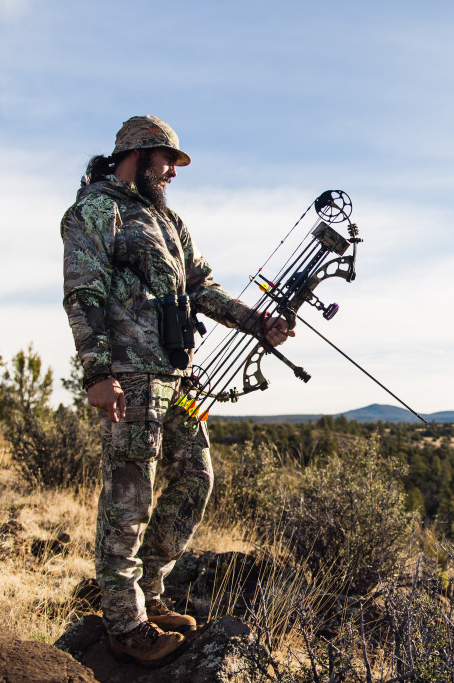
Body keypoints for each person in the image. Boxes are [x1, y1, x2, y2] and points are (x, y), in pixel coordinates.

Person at [60, 115, 293, 664]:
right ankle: (124, 622)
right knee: (129, 497)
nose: (172, 172)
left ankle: (151, 593)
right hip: (129, 377)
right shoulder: (97, 209)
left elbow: (201, 286)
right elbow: (81, 294)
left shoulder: (169, 221)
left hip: (177, 376)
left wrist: (255, 322)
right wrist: (97, 373)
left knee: (196, 477)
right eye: (166, 160)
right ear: (137, 155)